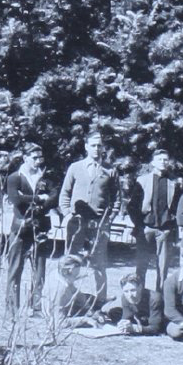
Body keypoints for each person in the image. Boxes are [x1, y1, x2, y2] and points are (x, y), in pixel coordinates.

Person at [59, 130, 121, 307]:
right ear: (86, 147)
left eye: (99, 145)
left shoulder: (110, 171)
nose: (96, 148)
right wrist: (67, 214)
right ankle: (68, 299)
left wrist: (110, 218)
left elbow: (117, 199)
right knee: (71, 262)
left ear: (103, 148)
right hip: (76, 224)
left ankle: (100, 301)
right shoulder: (75, 168)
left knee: (99, 264)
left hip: (99, 225)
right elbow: (65, 193)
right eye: (93, 145)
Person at [5, 143, 55, 315]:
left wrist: (38, 202)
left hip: (41, 228)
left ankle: (36, 306)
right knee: (15, 268)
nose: (38, 161)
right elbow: (16, 200)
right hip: (20, 228)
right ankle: (12, 308)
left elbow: (54, 197)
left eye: (40, 158)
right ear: (25, 158)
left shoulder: (45, 177)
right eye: (34, 158)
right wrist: (40, 197)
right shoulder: (14, 177)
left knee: (40, 269)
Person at [128, 149, 181, 291]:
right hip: (146, 229)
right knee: (141, 266)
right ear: (152, 163)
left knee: (163, 268)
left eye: (165, 159)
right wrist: (139, 225)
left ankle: (160, 299)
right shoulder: (142, 180)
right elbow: (132, 206)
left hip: (164, 231)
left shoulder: (173, 183)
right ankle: (139, 297)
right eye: (159, 159)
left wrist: (171, 227)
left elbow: (176, 208)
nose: (163, 162)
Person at [42, 255, 102, 329]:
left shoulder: (59, 274)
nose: (77, 276)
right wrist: (84, 320)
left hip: (66, 304)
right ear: (68, 271)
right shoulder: (60, 290)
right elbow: (59, 323)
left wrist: (89, 309)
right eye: (76, 275)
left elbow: (74, 291)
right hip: (58, 312)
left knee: (93, 299)